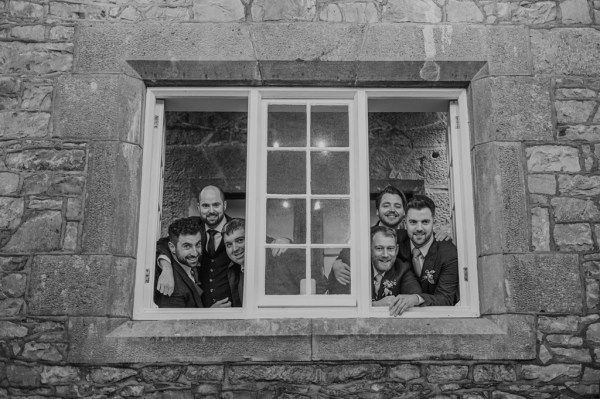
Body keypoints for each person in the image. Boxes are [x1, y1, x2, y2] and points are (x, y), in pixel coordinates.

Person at [156, 185, 238, 308]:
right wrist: (166, 269)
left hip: (234, 309)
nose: (211, 211)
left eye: (216, 205)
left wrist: (277, 242)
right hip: (201, 309)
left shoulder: (240, 228)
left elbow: (264, 243)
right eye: (205, 206)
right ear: (199, 207)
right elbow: (163, 244)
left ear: (224, 205)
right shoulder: (193, 225)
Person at [389, 194, 459, 315]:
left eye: (425, 222)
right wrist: (343, 260)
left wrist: (417, 299)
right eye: (413, 222)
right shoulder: (396, 239)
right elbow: (367, 238)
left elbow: (446, 299)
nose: (419, 228)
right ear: (405, 222)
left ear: (434, 222)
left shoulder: (448, 252)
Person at [330, 226, 422, 310]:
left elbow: (416, 295)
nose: (385, 255)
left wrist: (413, 299)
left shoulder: (403, 268)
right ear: (369, 248)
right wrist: (375, 305)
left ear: (397, 250)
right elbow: (338, 304)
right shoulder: (353, 268)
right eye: (379, 248)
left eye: (390, 248)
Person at [153, 218, 204, 308]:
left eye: (198, 244)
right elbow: (177, 322)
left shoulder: (185, 262)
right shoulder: (172, 289)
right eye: (187, 246)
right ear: (172, 247)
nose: (195, 253)